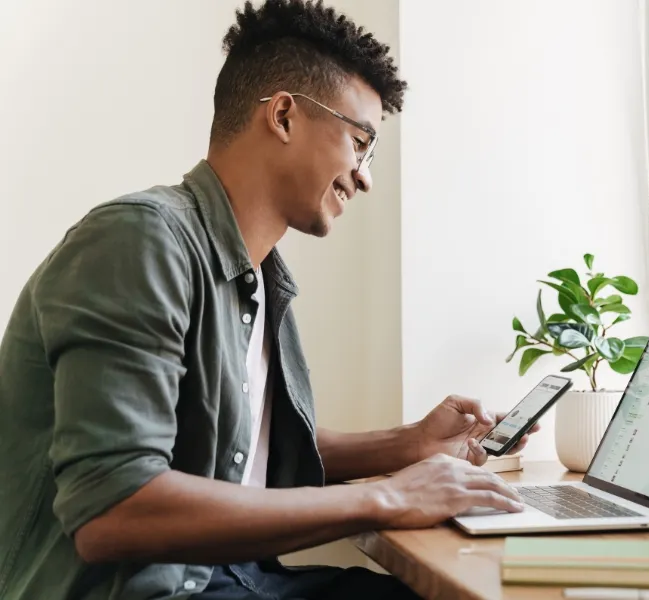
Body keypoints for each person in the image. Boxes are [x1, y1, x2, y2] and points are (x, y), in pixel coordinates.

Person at [0, 1, 538, 599]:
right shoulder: (139, 241)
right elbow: (114, 508)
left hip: (224, 575)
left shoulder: (255, 278)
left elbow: (243, 454)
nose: (364, 176)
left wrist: (407, 445)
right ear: (283, 115)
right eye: (361, 142)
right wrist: (386, 497)